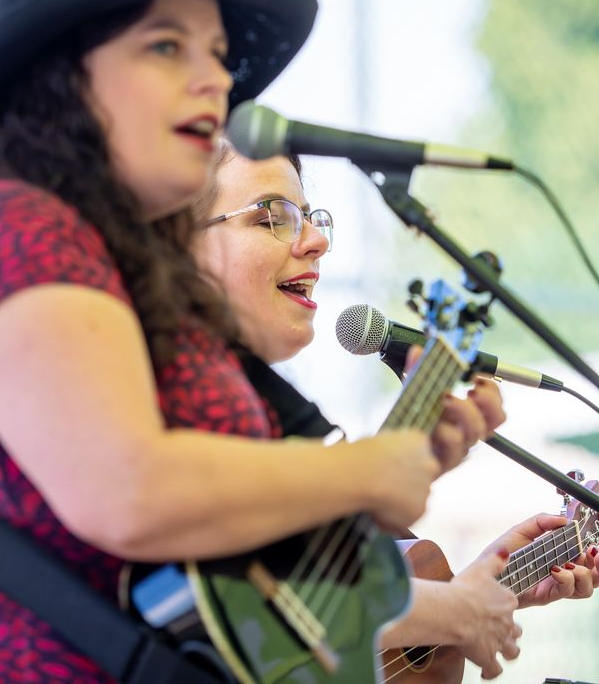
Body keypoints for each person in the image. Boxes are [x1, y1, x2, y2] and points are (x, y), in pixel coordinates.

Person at [0, 0, 509, 683]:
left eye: (215, 52)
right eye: (167, 46)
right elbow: (130, 493)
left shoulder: (131, 286)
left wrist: (412, 466)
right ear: (64, 78)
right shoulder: (28, 227)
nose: (215, 76)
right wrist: (367, 473)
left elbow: (249, 591)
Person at [193, 142, 599, 680]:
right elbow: (256, 612)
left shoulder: (280, 421)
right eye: (273, 217)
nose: (317, 241)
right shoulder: (166, 407)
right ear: (177, 244)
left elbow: (321, 610)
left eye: (312, 218)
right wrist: (457, 609)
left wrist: (482, 588)